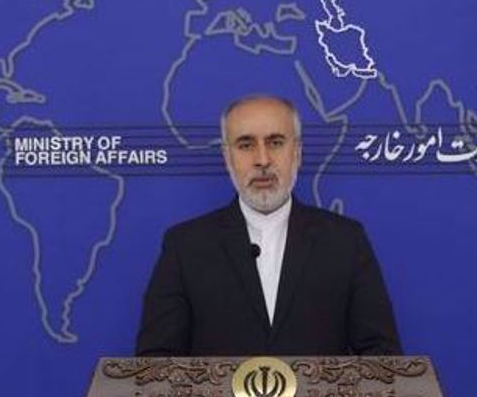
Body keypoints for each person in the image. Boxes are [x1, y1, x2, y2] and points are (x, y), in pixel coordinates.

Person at [136, 94, 402, 357]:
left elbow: (382, 358)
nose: (262, 160)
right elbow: (155, 363)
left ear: (296, 153)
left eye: (275, 142)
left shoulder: (345, 241)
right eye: (246, 145)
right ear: (227, 157)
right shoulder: (185, 246)